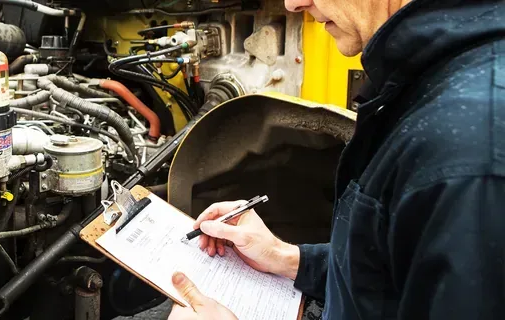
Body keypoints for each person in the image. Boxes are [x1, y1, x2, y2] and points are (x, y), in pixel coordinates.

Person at [169, 0, 505, 319]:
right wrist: (288, 259)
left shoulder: (469, 151)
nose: (292, 4)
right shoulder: (434, 82)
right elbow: (391, 265)